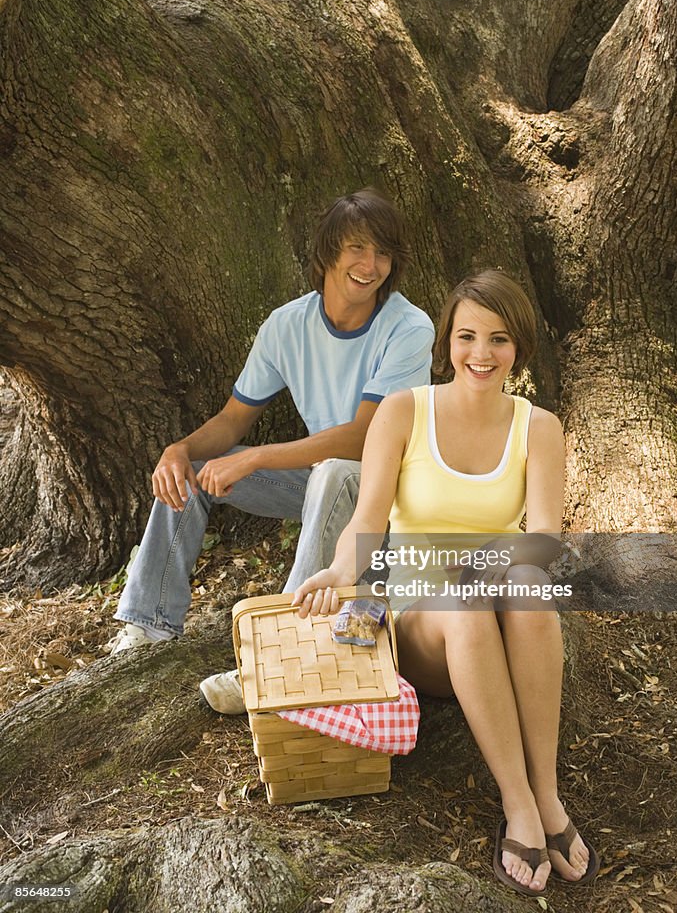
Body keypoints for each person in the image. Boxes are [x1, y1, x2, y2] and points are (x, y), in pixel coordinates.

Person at [292, 270, 600, 896]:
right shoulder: (406, 412)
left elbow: (542, 537)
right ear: (447, 344)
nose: (481, 354)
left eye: (498, 339)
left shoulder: (538, 427)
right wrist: (338, 572)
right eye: (467, 337)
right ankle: (518, 805)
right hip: (423, 620)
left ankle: (547, 795)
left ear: (520, 348)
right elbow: (368, 517)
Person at [108, 188, 435, 707]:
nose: (370, 265)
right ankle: (147, 625)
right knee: (193, 472)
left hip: (388, 495)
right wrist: (179, 449)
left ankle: (280, 651)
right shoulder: (287, 326)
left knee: (332, 472)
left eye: (383, 254)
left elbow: (367, 437)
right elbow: (234, 418)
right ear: (327, 251)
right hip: (316, 482)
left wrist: (256, 455)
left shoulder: (409, 327)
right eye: (357, 249)